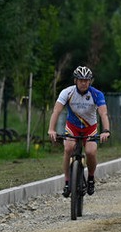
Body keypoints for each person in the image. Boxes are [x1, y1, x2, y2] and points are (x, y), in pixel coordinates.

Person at [47, 65, 111, 198]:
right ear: (75, 81)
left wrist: (106, 130)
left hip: (90, 128)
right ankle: (67, 181)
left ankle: (91, 179)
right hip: (72, 127)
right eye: (81, 80)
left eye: (86, 80)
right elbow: (56, 111)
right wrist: (51, 129)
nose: (84, 83)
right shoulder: (67, 92)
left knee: (90, 152)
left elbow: (103, 113)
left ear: (90, 81)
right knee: (68, 149)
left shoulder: (96, 94)